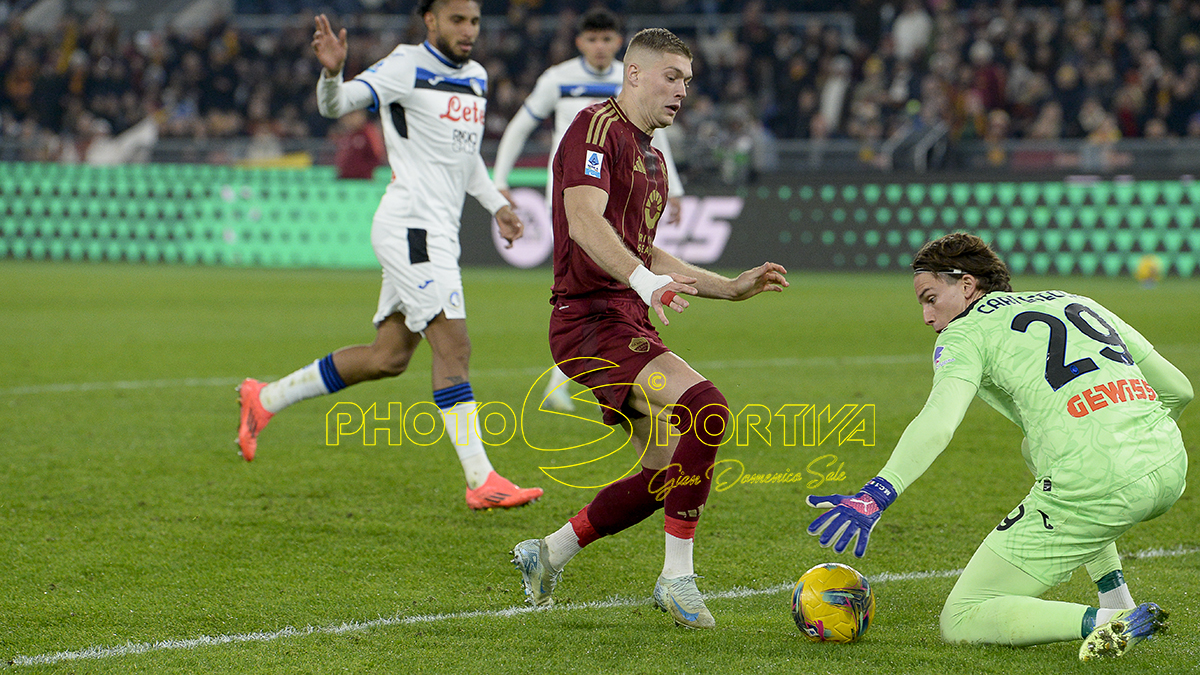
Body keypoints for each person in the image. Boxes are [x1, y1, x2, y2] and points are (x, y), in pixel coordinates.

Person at [508, 28, 788, 629]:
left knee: (665, 476)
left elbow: (648, 252)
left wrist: (730, 288)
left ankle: (547, 553)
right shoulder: (593, 129)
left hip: (623, 317)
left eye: (687, 80)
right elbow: (584, 223)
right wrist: (641, 281)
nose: (682, 90)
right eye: (671, 76)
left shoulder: (655, 157)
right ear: (634, 73)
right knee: (707, 410)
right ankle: (676, 578)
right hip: (588, 321)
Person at [805, 232, 1190, 660]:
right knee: (1035, 450)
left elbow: (939, 420)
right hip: (1171, 463)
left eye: (931, 298)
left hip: (1096, 481)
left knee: (962, 616)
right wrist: (1131, 437)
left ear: (966, 285)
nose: (927, 315)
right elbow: (1180, 389)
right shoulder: (1071, 299)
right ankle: (1116, 599)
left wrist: (875, 495)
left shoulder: (965, 333)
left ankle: (1109, 622)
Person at [236, 0, 544, 511]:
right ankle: (480, 478)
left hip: (438, 230)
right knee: (455, 348)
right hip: (412, 227)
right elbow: (335, 106)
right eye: (458, 21)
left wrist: (498, 205)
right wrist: (332, 75)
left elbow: (466, 160)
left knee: (388, 358)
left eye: (475, 22)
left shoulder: (477, 77)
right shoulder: (405, 65)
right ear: (431, 20)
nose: (469, 31)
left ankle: (263, 400)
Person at [491, 7, 685, 413]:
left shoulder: (634, 77)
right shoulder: (557, 78)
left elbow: (651, 135)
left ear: (618, 44)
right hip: (575, 192)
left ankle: (591, 373)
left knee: (605, 278)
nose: (600, 47)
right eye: (592, 39)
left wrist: (676, 189)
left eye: (607, 39)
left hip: (625, 188)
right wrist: (500, 179)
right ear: (580, 43)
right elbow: (522, 125)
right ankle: (590, 370)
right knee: (589, 279)